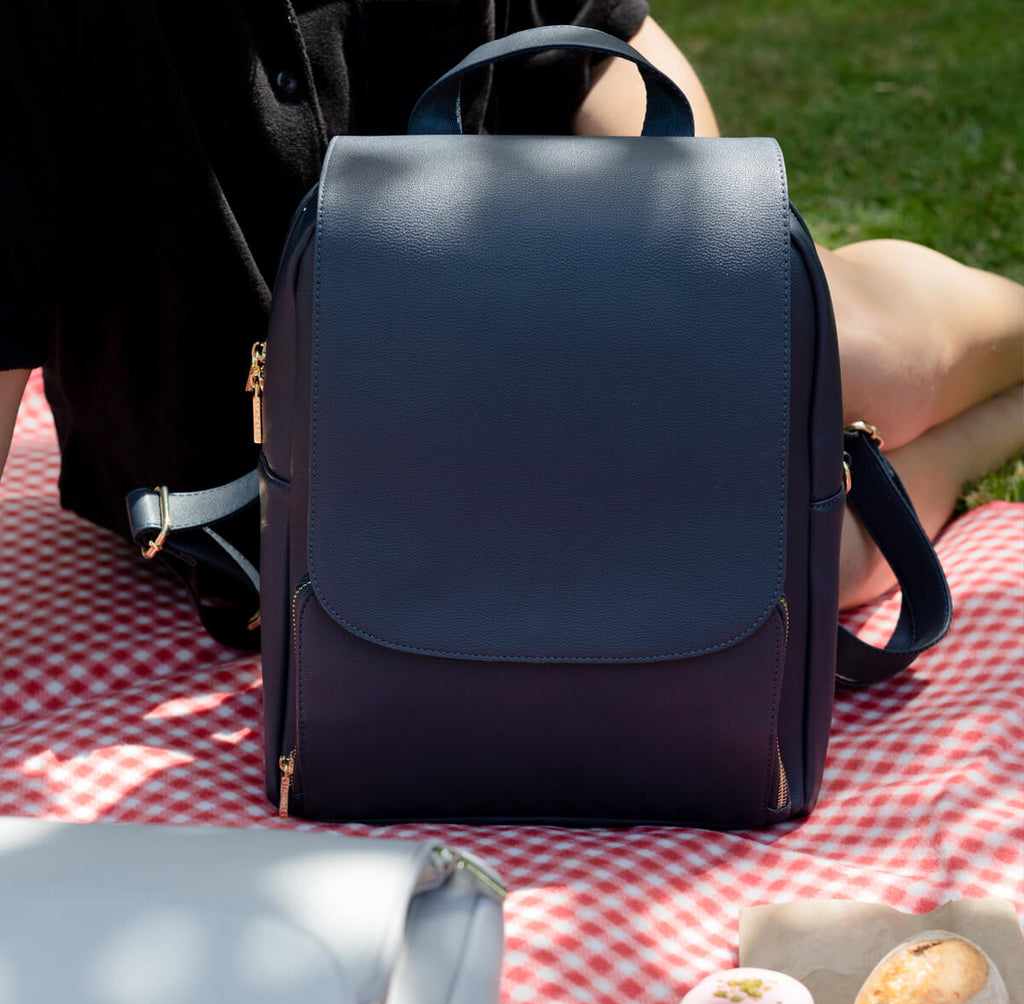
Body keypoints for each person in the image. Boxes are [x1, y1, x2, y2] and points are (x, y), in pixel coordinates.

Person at [1, 2, 1021, 622]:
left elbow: (622, 59)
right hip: (240, 508)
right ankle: (995, 425)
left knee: (852, 353)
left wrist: (700, 310)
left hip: (565, 366)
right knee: (810, 566)